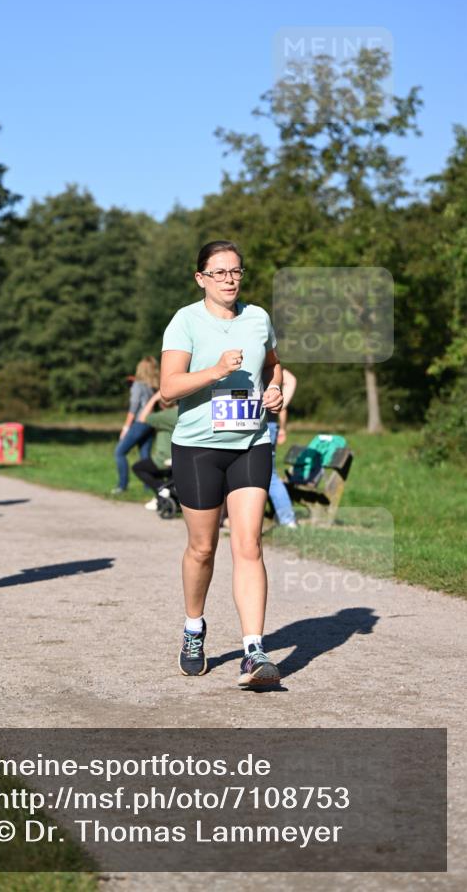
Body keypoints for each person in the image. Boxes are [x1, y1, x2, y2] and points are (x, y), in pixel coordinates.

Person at [160, 240, 284, 688]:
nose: (230, 279)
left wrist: (276, 392)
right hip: (198, 448)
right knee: (203, 548)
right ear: (201, 279)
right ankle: (194, 628)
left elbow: (274, 366)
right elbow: (169, 388)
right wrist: (213, 370)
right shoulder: (185, 321)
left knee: (248, 543)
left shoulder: (258, 318)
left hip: (251, 442)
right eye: (220, 273)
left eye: (237, 271)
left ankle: (254, 651)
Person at [112, 357, 158, 494]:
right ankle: (149, 486)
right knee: (145, 454)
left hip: (139, 423)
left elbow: (134, 407)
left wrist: (126, 427)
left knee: (119, 452)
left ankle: (122, 486)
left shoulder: (138, 385)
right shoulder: (153, 387)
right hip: (151, 423)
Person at [132, 390, 179, 509]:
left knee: (138, 467)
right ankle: (165, 493)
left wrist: (153, 399)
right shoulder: (181, 412)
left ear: (161, 403)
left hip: (164, 458)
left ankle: (161, 488)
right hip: (179, 456)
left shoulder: (164, 416)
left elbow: (142, 419)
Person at [267, 367, 298, 529]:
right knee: (269, 476)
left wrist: (280, 405)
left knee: (269, 477)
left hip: (263, 425)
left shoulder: (265, 358)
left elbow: (290, 380)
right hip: (269, 424)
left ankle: (287, 519)